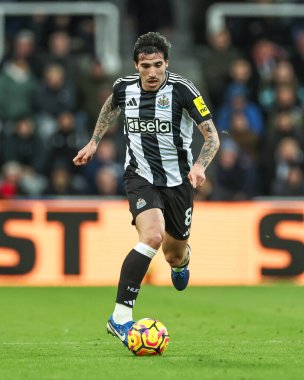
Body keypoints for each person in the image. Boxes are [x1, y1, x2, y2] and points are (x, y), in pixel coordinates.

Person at [73, 32, 220, 348]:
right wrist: (94, 141)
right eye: (145, 66)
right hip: (139, 177)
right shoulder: (124, 88)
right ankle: (120, 317)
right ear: (135, 65)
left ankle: (182, 262)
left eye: (157, 65)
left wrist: (199, 166)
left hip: (179, 182)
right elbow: (110, 107)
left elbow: (212, 137)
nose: (151, 73)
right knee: (152, 236)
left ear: (166, 63)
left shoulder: (184, 91)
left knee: (173, 253)